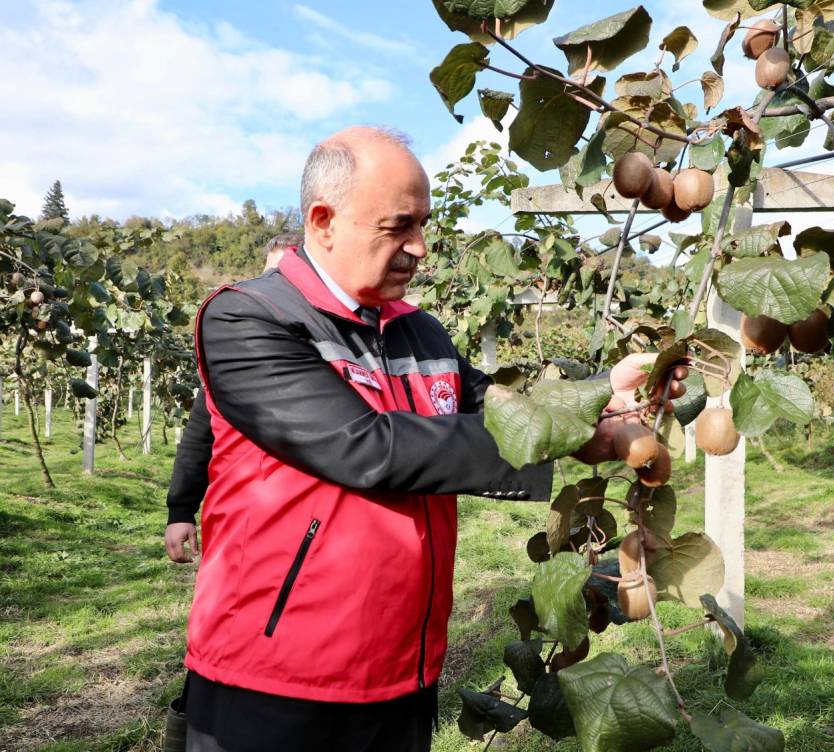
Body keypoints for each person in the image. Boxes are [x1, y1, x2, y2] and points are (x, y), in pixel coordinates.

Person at [176, 126, 684, 752]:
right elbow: (365, 446)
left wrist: (601, 397)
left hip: (402, 666)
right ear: (323, 220)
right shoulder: (248, 318)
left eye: (424, 225)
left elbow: (506, 411)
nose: (419, 248)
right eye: (399, 226)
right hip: (275, 676)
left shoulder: (422, 331)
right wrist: (570, 439)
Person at [164, 231, 303, 564]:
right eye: (269, 276)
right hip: (243, 523)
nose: (274, 285)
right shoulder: (237, 349)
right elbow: (201, 433)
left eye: (286, 276)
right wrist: (180, 509)